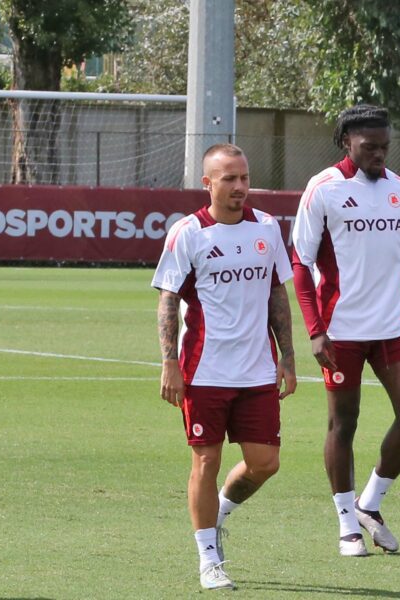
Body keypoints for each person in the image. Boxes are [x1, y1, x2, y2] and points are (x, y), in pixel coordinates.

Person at [153, 144, 298, 589]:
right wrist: (169, 362)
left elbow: (277, 294)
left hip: (257, 369)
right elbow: (168, 298)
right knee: (206, 458)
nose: (239, 187)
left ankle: (218, 515)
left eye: (244, 178)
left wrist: (288, 356)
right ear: (208, 183)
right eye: (229, 179)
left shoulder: (268, 228)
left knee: (265, 462)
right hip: (204, 369)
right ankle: (208, 559)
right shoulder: (189, 233)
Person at [290, 104, 400, 557]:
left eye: (385, 147)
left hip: (393, 327)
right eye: (370, 147)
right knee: (342, 424)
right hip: (341, 331)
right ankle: (347, 524)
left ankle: (371, 502)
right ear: (346, 141)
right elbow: (301, 261)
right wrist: (314, 329)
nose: (379, 155)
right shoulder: (323, 188)